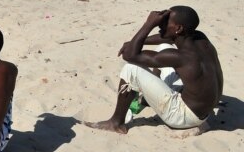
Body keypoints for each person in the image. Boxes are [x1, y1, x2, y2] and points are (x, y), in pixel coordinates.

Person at [87, 7, 223, 134]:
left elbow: (129, 55)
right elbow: (168, 38)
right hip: (202, 112)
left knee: (131, 69)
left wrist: (149, 24)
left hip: (183, 117)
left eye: (165, 22)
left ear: (179, 28)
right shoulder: (199, 38)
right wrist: (136, 42)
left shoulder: (181, 57)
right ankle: (148, 97)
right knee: (163, 46)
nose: (160, 24)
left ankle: (116, 122)